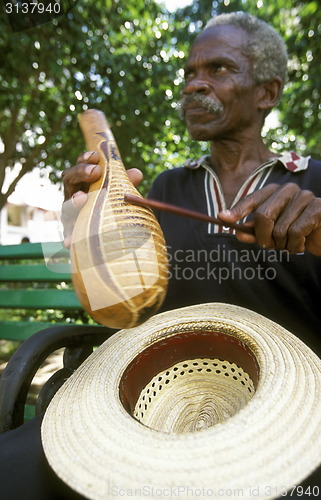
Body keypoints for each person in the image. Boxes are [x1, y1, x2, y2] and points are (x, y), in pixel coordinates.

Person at [0, 11, 320, 500]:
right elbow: (117, 302)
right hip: (162, 406)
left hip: (289, 422)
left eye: (217, 69)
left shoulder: (311, 183)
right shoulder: (165, 187)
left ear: (267, 93)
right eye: (189, 73)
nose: (194, 85)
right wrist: (79, 226)